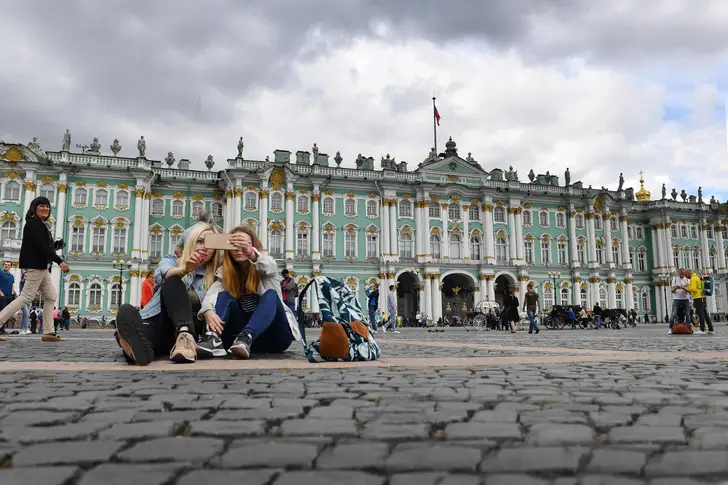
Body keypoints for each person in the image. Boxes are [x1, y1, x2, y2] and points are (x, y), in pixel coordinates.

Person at [114, 223, 222, 365]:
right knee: (173, 281)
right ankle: (137, 349)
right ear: (190, 243)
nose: (203, 247)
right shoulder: (172, 260)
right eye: (199, 241)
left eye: (209, 242)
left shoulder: (219, 271)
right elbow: (164, 272)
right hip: (161, 324)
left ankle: (183, 336)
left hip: (195, 333)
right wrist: (184, 269)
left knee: (145, 337)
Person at [195, 225, 301, 359]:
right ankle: (213, 338)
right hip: (236, 342)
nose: (239, 248)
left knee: (271, 295)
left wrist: (251, 253)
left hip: (274, 338)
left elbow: (269, 265)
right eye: (235, 244)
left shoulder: (267, 270)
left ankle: (247, 335)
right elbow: (211, 296)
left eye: (244, 244)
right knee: (223, 295)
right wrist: (207, 311)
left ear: (254, 246)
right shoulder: (225, 275)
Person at [0, 197, 69, 342]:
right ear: (34, 208)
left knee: (50, 296)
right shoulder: (33, 224)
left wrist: (55, 247)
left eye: (47, 206)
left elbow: (43, 247)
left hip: (41, 266)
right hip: (35, 265)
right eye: (42, 206)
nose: (45, 209)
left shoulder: (40, 225)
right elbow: (41, 247)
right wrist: (59, 261)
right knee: (26, 297)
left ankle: (48, 332)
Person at [687, 269, 714, 335]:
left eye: (686, 275)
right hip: (702, 297)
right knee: (705, 314)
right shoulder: (696, 277)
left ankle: (702, 329)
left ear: (689, 273)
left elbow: (693, 289)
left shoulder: (693, 279)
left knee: (700, 314)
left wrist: (687, 287)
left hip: (698, 298)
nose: (686, 276)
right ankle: (711, 329)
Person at [669, 268, 691, 334]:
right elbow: (672, 291)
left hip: (685, 299)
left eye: (683, 273)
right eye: (680, 273)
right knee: (673, 314)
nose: (682, 274)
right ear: (678, 273)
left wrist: (684, 288)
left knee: (688, 314)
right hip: (677, 299)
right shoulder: (675, 279)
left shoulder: (688, 280)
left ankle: (688, 328)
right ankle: (670, 328)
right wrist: (676, 287)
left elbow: (690, 291)